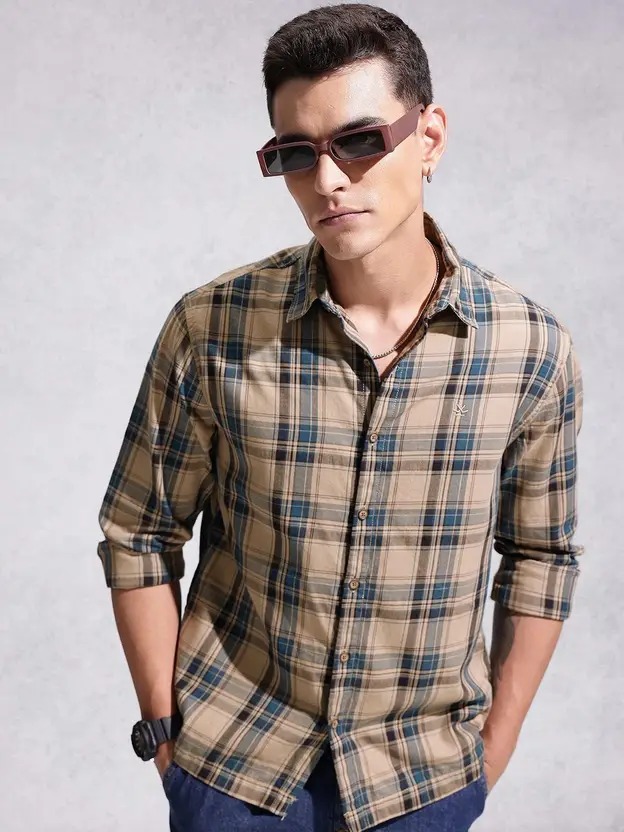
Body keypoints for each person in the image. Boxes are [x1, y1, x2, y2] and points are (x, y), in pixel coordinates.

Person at [96, 4, 584, 831]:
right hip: (234, 772)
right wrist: (169, 738)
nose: (325, 181)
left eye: (359, 141)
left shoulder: (530, 351)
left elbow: (541, 558)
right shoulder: (212, 328)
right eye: (295, 153)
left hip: (421, 785)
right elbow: (138, 532)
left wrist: (489, 757)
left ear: (429, 137)